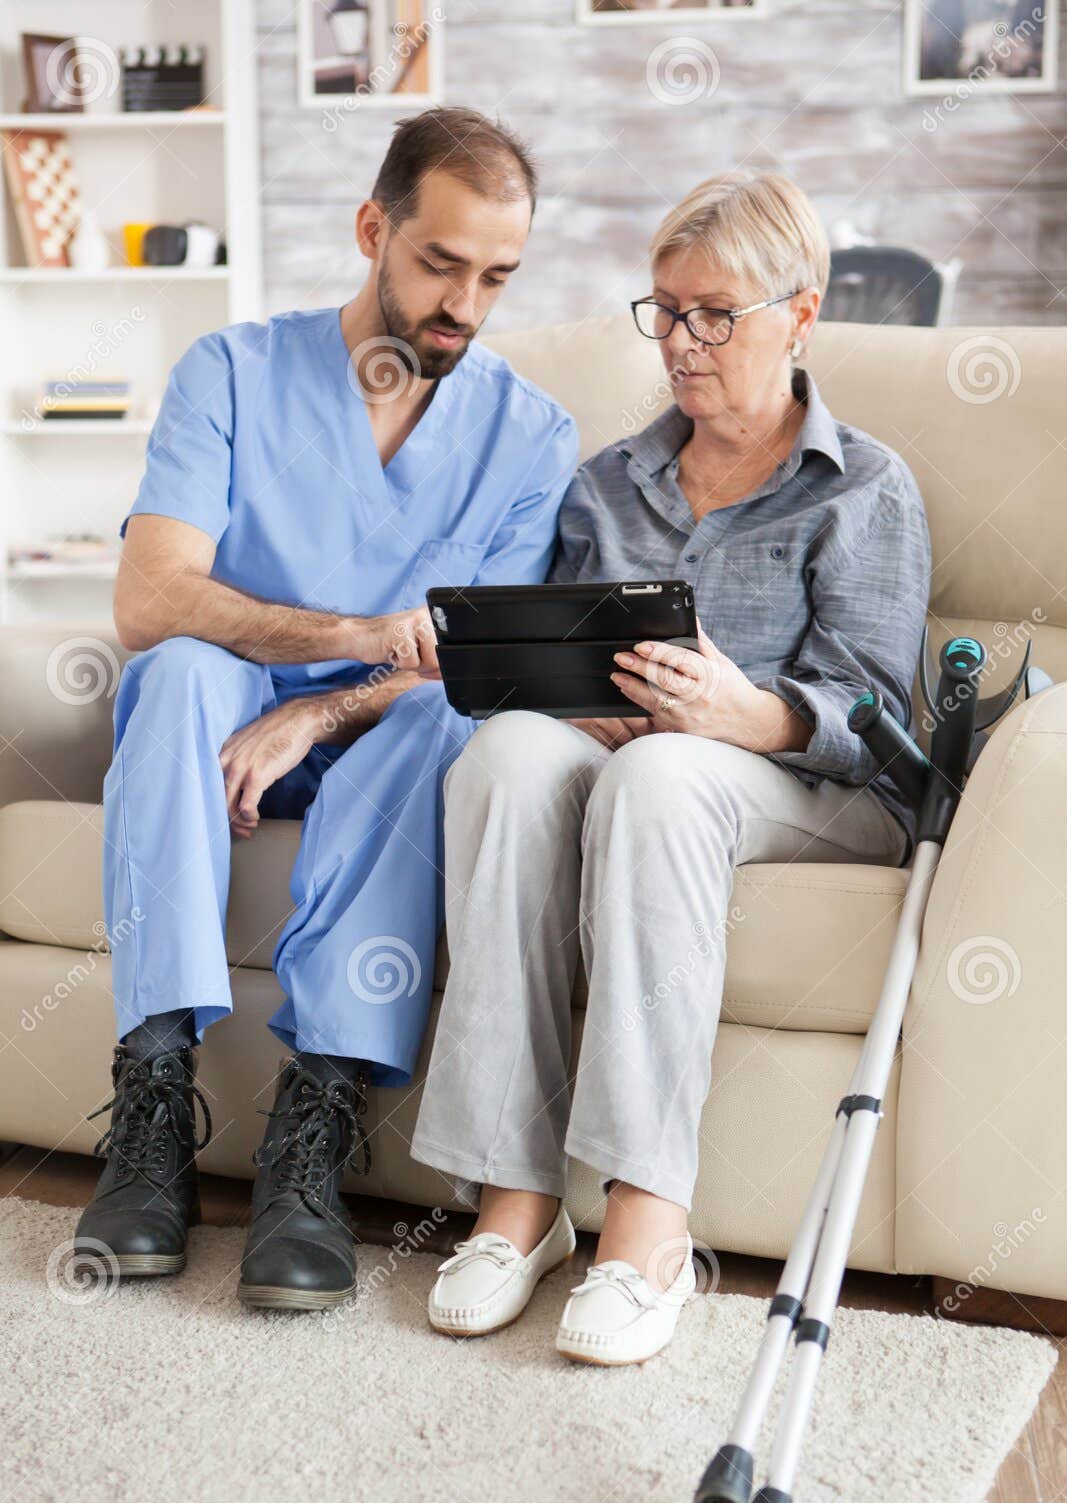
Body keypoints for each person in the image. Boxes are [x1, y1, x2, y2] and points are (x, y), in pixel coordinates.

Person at [410, 169, 931, 1366]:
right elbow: (550, 646)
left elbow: (872, 718)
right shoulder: (607, 481)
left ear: (798, 316)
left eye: (714, 315)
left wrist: (744, 712)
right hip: (640, 763)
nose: (681, 344)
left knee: (662, 778)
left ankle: (644, 1222)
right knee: (502, 759)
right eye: (663, 311)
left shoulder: (863, 487)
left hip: (811, 790)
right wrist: (570, 703)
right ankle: (513, 1201)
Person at [73, 107, 578, 1311]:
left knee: (439, 712)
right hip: (217, 712)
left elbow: (476, 660)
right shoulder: (232, 372)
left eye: (495, 277)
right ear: (373, 228)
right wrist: (349, 636)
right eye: (438, 263)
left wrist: (319, 709)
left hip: (378, 739)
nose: (463, 303)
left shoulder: (529, 437)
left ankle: (315, 1125)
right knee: (184, 670)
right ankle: (151, 1109)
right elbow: (150, 600)